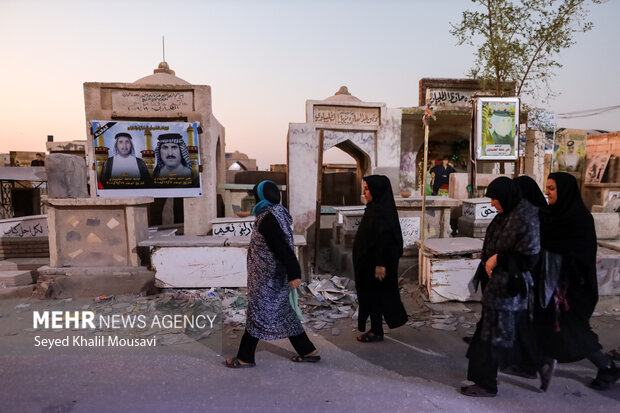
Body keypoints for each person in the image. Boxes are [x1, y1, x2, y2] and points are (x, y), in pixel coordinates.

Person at [461, 177, 555, 397]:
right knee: (515, 331)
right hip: (498, 286)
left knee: (490, 337)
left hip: (507, 288)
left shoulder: (525, 218)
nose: (492, 203)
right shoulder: (508, 213)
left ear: (507, 196)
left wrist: (499, 259)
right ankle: (541, 364)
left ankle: (486, 384)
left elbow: (529, 258)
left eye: (495, 199)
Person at [539, 172, 620, 390]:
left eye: (552, 188)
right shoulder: (553, 214)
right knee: (552, 327)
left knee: (576, 331)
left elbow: (576, 251)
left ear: (565, 190)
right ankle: (543, 364)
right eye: (547, 187)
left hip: (574, 287)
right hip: (555, 286)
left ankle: (607, 368)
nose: (547, 192)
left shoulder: (579, 218)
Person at [225, 181, 319, 367]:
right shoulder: (277, 213)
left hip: (268, 279)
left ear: (260, 197)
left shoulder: (268, 218)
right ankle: (308, 350)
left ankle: (245, 358)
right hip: (272, 276)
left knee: (257, 315)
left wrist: (295, 273)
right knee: (285, 315)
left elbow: (282, 247)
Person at [353, 175, 407, 343]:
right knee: (373, 297)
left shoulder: (381, 213)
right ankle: (376, 330)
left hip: (376, 266)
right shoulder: (373, 208)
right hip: (368, 264)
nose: (364, 192)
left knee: (378, 297)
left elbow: (385, 241)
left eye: (367, 188)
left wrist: (380, 264)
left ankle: (377, 331)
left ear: (377, 190)